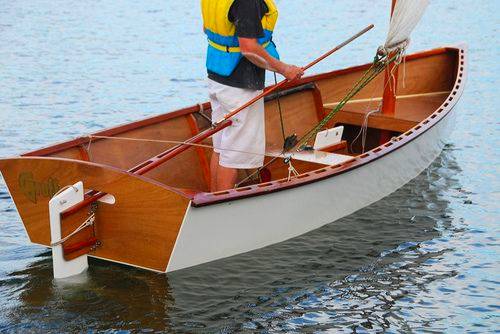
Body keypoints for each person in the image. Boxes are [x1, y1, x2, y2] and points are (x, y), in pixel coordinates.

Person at [201, 0, 304, 192]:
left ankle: (213, 198)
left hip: (217, 76)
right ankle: (221, 208)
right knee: (232, 155)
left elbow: (206, 27)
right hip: (239, 85)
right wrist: (284, 69)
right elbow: (248, 48)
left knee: (221, 148)